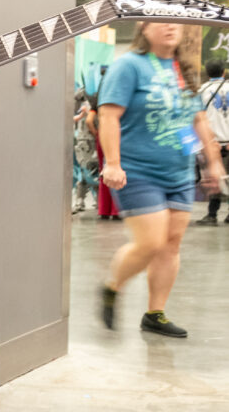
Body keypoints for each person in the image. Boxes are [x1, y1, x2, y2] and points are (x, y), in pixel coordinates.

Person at [98, 21, 223, 337]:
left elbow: (198, 120)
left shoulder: (183, 69)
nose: (170, 27)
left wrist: (213, 162)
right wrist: (112, 163)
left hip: (179, 174)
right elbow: (108, 114)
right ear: (144, 28)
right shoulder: (129, 66)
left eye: (175, 22)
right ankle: (113, 286)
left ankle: (155, 313)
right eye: (160, 22)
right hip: (138, 171)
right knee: (151, 242)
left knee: (170, 244)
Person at [195, 57, 229, 225]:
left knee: (214, 177)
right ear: (224, 72)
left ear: (207, 73)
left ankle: (212, 214)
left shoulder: (202, 90)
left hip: (212, 143)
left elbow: (196, 118)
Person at [85, 65, 121, 220]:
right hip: (118, 134)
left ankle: (104, 209)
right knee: (117, 168)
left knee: (104, 170)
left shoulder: (98, 95)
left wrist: (97, 133)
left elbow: (89, 120)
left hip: (102, 135)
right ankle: (116, 210)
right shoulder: (119, 93)